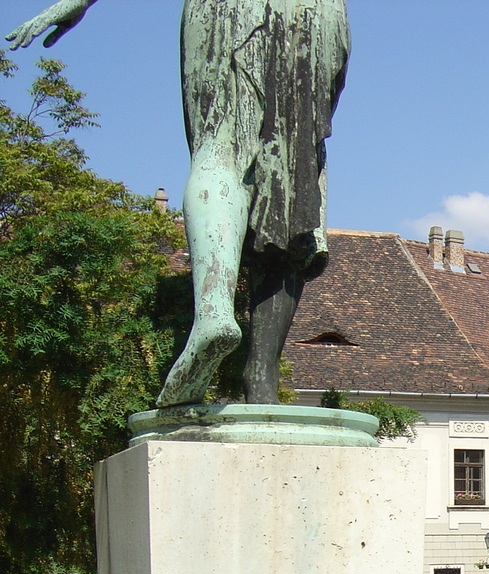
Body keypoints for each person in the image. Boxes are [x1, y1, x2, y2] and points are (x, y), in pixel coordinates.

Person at [7, 0, 350, 407]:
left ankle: (214, 310)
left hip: (231, 12)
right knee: (289, 187)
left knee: (220, 149)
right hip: (319, 15)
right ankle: (261, 380)